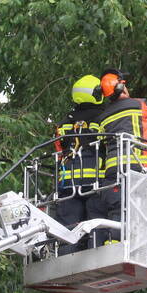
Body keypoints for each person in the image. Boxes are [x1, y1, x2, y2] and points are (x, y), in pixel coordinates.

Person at [88, 68, 147, 244]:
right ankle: (140, 244)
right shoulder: (139, 105)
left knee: (116, 210)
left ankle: (114, 242)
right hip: (138, 169)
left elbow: (99, 142)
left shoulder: (103, 117)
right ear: (120, 87)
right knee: (142, 209)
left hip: (112, 173)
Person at [53, 74, 105, 253]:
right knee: (96, 225)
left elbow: (58, 148)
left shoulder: (64, 122)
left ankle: (65, 262)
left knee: (68, 229)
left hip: (67, 184)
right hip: (95, 182)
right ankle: (98, 259)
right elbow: (107, 146)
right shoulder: (102, 118)